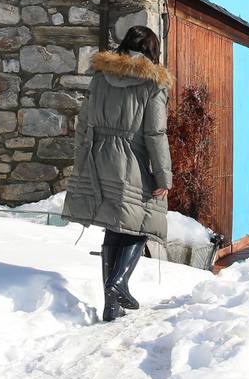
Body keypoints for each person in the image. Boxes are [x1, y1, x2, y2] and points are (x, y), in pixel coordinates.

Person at [62, 25, 174, 322]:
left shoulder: (100, 77)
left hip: (99, 156)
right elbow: (155, 133)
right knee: (144, 220)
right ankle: (118, 282)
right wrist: (163, 176)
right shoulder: (153, 83)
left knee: (115, 223)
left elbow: (84, 122)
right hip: (132, 157)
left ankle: (111, 305)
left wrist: (82, 159)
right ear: (152, 50)